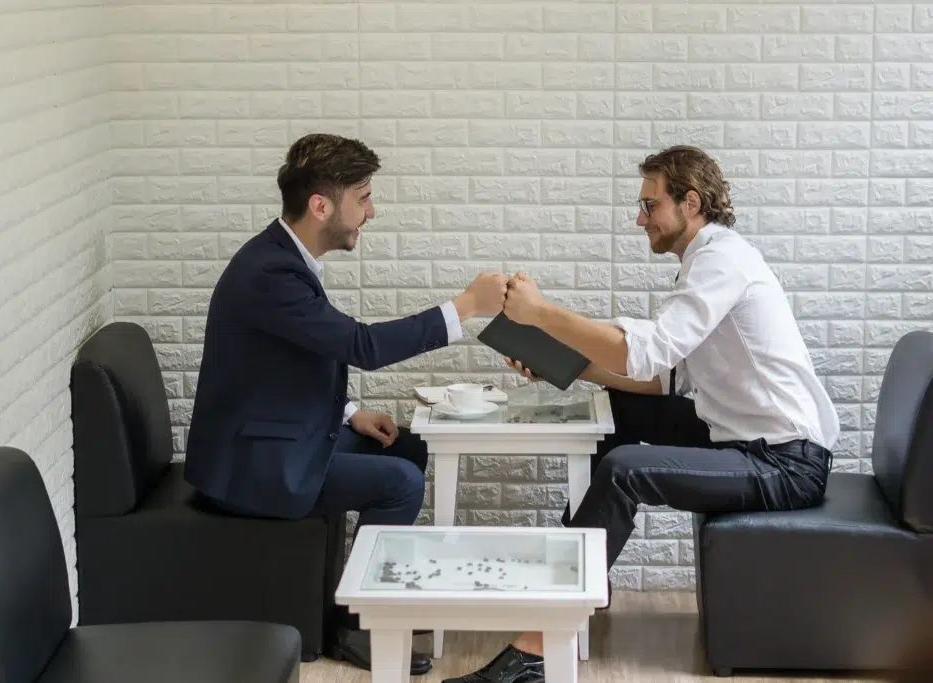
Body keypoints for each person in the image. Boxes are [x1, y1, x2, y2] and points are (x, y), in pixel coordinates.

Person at [445, 145, 840, 683]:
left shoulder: (723, 259)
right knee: (620, 410)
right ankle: (583, 574)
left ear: (691, 203)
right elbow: (664, 379)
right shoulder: (707, 261)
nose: (639, 218)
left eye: (650, 205)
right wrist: (560, 363)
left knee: (625, 469)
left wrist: (539, 313)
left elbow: (646, 352)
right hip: (739, 436)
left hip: (783, 463)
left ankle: (536, 650)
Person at [183, 132, 509, 676]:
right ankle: (355, 628)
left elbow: (296, 358)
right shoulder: (271, 273)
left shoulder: (281, 257)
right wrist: (464, 307)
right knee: (401, 482)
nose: (371, 212)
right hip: (253, 469)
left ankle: (376, 600)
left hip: (277, 433)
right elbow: (361, 346)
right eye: (363, 197)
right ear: (321, 205)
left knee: (403, 445)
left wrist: (349, 411)